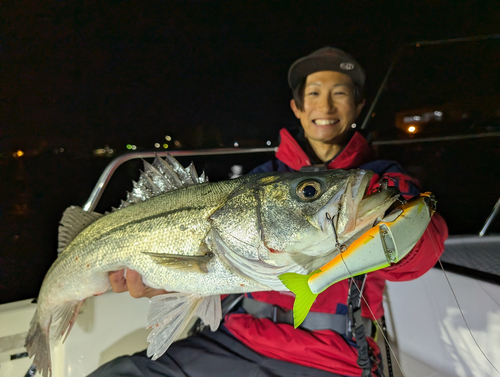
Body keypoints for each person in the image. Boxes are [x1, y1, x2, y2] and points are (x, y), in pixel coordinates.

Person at [90, 47, 448, 377]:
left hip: (333, 357)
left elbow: (422, 252)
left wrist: (402, 226)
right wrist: (172, 281)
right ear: (297, 107)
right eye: (313, 93)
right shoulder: (261, 180)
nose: (325, 106)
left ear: (358, 105)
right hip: (236, 339)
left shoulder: (381, 181)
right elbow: (216, 265)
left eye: (340, 94)